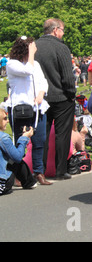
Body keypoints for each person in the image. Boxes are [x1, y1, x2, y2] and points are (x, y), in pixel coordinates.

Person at [5, 36, 52, 186]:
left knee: (39, 142)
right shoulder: (12, 64)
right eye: (32, 48)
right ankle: (18, 175)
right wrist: (31, 53)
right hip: (20, 109)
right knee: (20, 143)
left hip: (36, 109)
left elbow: (42, 81)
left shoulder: (35, 64)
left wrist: (41, 93)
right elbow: (27, 71)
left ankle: (39, 172)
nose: (35, 50)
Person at [35, 18, 76, 180]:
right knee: (62, 135)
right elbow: (67, 77)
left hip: (40, 97)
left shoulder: (34, 47)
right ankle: (60, 170)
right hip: (61, 97)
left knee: (42, 134)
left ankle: (40, 169)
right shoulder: (61, 48)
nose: (63, 33)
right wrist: (71, 93)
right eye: (63, 30)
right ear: (55, 30)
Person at [0, 104, 36, 195]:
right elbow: (18, 157)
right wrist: (24, 138)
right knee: (14, 160)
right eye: (4, 119)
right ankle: (29, 182)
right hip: (2, 184)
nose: (7, 121)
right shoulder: (3, 138)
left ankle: (29, 182)